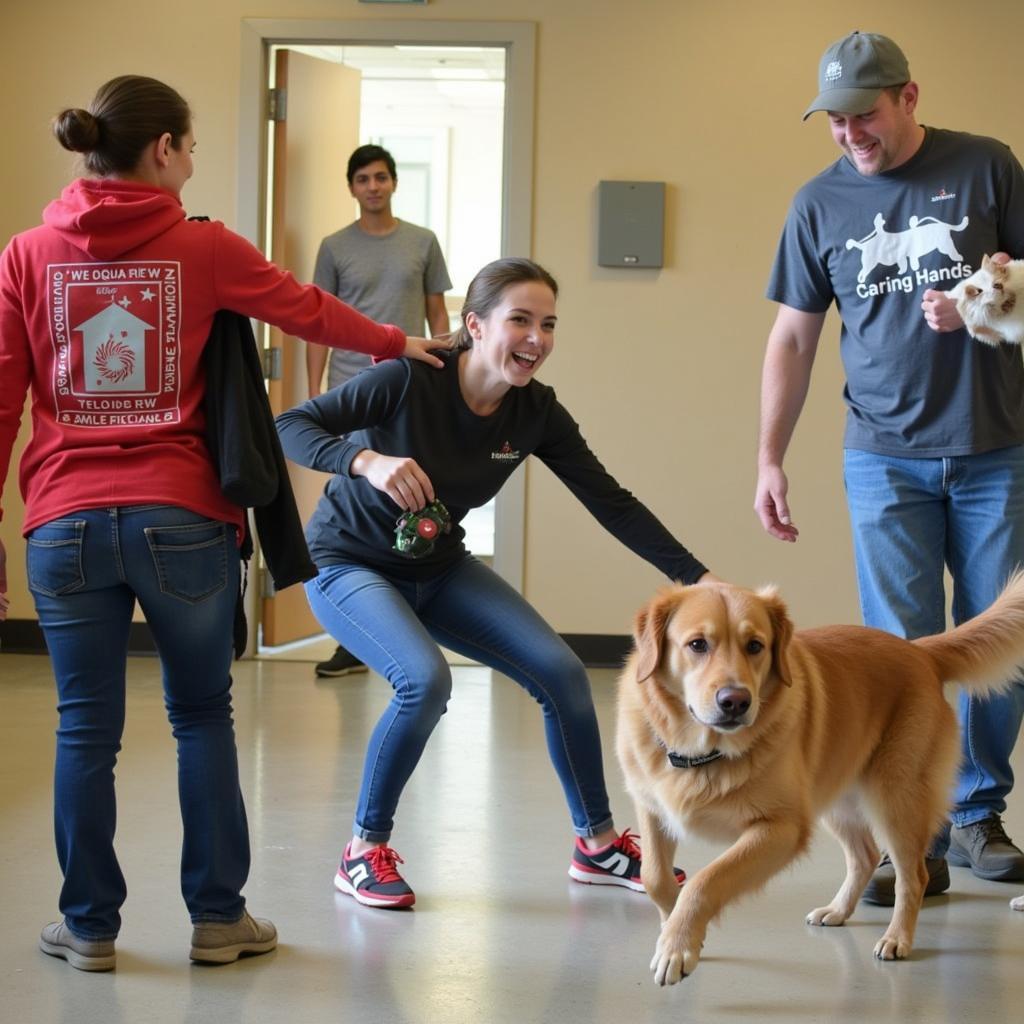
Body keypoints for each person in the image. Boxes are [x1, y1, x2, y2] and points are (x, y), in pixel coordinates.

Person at [0, 75, 446, 971]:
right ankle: (216, 918)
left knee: (84, 728)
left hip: (64, 525)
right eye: (191, 147)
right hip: (183, 524)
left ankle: (88, 927)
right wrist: (402, 344)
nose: (193, 163)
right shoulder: (201, 248)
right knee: (201, 714)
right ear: (162, 149)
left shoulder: (27, 253)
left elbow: (2, 399)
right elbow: (304, 307)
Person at [277, 256, 713, 909]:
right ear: (475, 326)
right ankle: (362, 852)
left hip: (440, 565)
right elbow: (291, 426)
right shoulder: (406, 380)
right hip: (348, 563)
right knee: (423, 681)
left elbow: (611, 502)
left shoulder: (535, 413)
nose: (537, 338)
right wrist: (364, 460)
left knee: (562, 675)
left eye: (549, 324)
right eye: (520, 320)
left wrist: (700, 580)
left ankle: (596, 847)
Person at [754, 31, 1024, 906]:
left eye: (863, 114)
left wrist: (987, 304)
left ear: (908, 97)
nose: (849, 134)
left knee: (992, 640)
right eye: (834, 119)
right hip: (882, 457)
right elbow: (793, 337)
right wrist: (769, 457)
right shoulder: (817, 202)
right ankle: (920, 837)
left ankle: (980, 812)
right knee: (902, 653)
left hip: (996, 446)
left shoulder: (987, 167)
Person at [306, 144, 452, 680]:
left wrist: (448, 374)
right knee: (357, 507)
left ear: (394, 183)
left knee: (411, 502)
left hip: (411, 387)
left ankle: (402, 627)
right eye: (363, 178)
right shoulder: (334, 247)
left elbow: (439, 314)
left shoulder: (422, 242)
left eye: (382, 177)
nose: (374, 186)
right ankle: (357, 635)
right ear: (351, 187)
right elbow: (316, 320)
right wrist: (313, 390)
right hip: (352, 391)